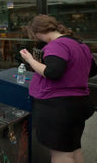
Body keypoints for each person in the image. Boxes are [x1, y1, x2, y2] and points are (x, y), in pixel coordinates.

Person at [19, 15, 96, 163]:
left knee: (61, 155)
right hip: (79, 104)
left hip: (58, 108)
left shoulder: (57, 45)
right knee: (74, 149)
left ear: (36, 32)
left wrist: (30, 60)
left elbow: (52, 72)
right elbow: (91, 69)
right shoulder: (81, 45)